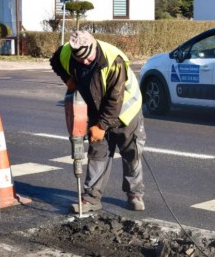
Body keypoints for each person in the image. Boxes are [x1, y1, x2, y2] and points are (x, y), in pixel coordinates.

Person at [50, 30, 146, 213]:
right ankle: (91, 198)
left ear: (94, 46)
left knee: (131, 153)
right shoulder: (67, 53)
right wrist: (67, 79)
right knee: (97, 153)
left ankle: (135, 195)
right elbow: (55, 60)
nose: (85, 62)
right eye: (80, 60)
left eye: (88, 58)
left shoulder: (113, 60)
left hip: (126, 110)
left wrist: (101, 126)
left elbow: (114, 99)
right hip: (97, 107)